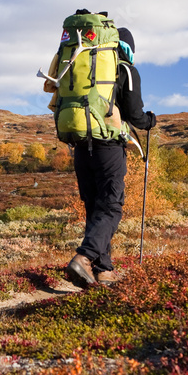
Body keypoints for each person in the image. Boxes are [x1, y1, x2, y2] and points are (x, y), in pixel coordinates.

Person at [65, 26, 155, 288]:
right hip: (108, 146)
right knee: (111, 207)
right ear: (128, 48)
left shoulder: (85, 67)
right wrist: (150, 120)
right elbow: (136, 115)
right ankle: (83, 258)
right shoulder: (125, 69)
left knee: (95, 208)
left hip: (82, 145)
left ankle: (103, 271)